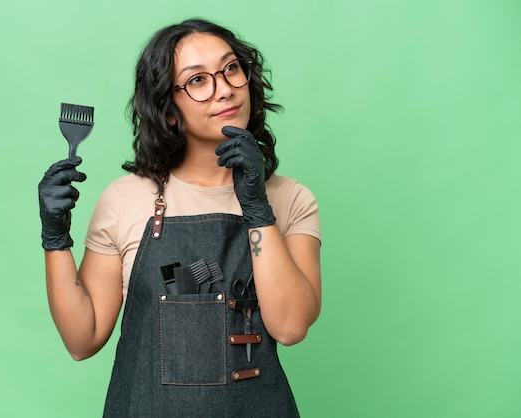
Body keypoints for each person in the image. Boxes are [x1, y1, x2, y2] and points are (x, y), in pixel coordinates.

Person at [38, 18, 321, 417]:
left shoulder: (291, 199)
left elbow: (291, 327)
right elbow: (81, 339)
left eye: (230, 69)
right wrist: (55, 239)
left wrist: (258, 208)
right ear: (170, 112)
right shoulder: (126, 199)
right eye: (197, 81)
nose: (223, 89)